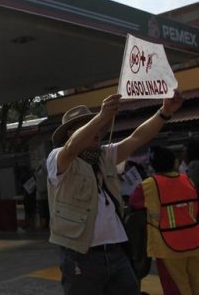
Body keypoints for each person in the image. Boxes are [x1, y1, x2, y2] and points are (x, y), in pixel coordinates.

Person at [46, 91, 184, 295]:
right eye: (87, 125)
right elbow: (72, 147)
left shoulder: (105, 156)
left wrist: (164, 112)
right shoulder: (58, 158)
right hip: (82, 258)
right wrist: (101, 116)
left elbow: (137, 138)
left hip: (117, 253)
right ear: (70, 133)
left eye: (96, 124)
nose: (97, 129)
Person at [130, 146, 199, 295]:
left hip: (167, 247)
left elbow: (134, 203)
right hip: (194, 242)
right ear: (174, 162)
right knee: (196, 282)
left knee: (176, 288)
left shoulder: (148, 185)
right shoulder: (187, 180)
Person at [34, 160, 49, 229]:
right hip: (46, 195)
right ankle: (46, 225)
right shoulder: (45, 173)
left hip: (40, 196)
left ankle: (43, 225)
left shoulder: (37, 173)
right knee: (47, 211)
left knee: (42, 212)